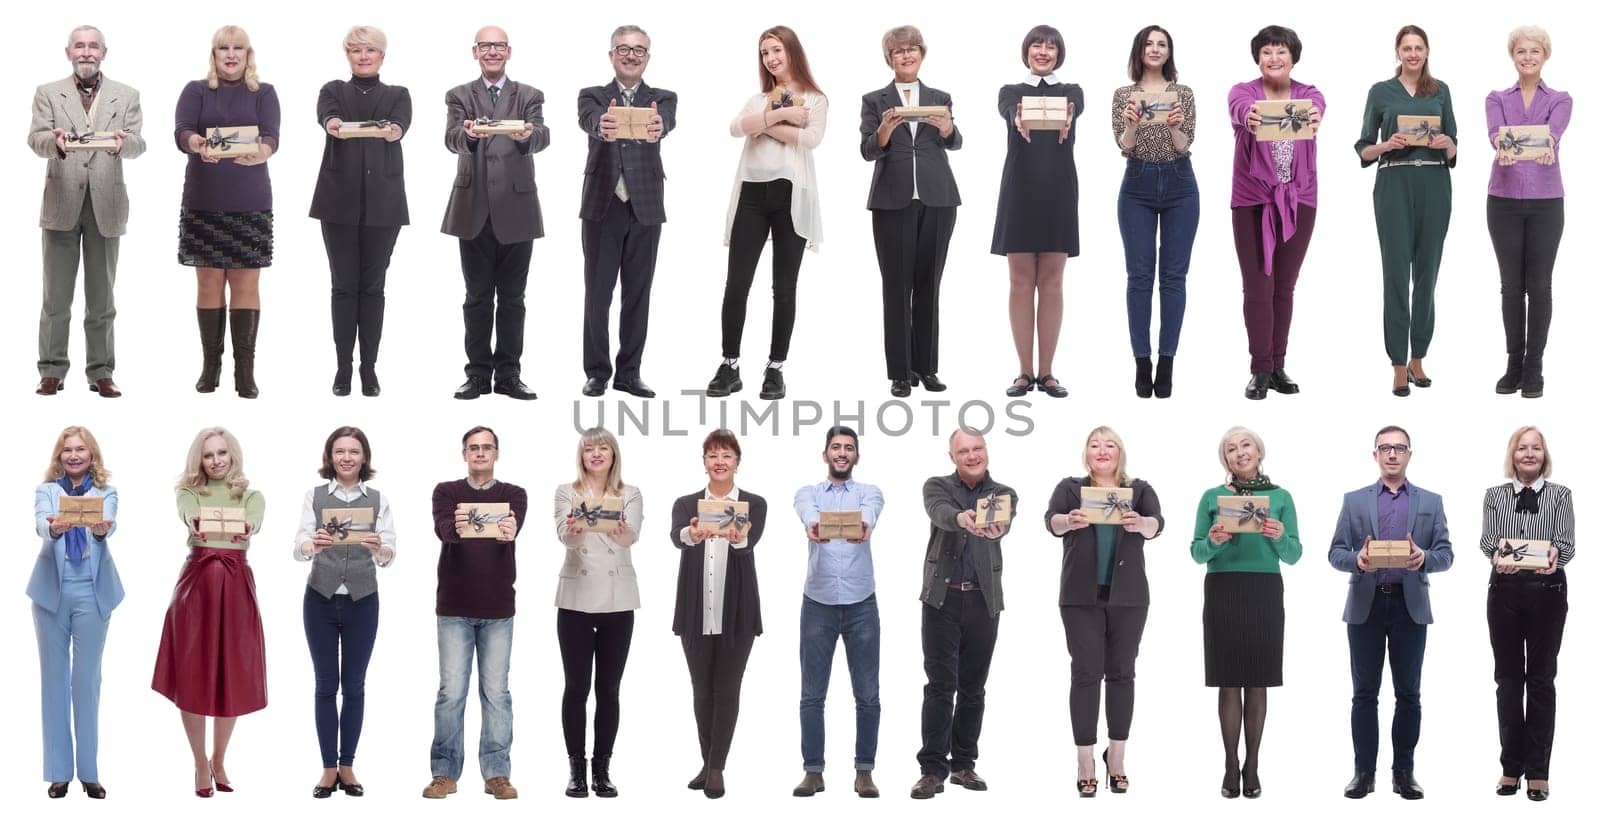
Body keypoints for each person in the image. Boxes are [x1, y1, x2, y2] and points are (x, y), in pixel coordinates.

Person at [1328, 426, 1454, 800]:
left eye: (1400, 448)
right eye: (1386, 448)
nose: (1393, 454)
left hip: (1409, 605)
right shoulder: (1354, 501)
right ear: (1376, 455)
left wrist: (1424, 559)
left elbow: (1446, 554)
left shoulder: (1431, 501)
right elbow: (1336, 553)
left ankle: (1404, 772)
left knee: (1409, 694)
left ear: (1409, 454)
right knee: (1364, 694)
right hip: (1365, 605)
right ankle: (1363, 772)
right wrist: (1358, 560)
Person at [704, 26, 827, 402]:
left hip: (791, 194)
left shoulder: (815, 98)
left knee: (784, 287)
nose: (771, 58)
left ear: (792, 51)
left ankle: (775, 369)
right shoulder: (758, 98)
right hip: (753, 195)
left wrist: (766, 125)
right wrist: (786, 116)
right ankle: (729, 365)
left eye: (776, 50)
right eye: (764, 53)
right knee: (736, 283)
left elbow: (811, 139)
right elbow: (734, 128)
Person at [1044, 427, 1163, 797]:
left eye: (1109, 444)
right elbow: (1051, 520)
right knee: (1085, 674)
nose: (1102, 450)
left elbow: (1157, 524)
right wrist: (1068, 520)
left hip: (1128, 598)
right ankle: (1084, 760)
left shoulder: (1139, 490)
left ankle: (1118, 757)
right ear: (1086, 453)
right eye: (1095, 444)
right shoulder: (1070, 488)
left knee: (1122, 674)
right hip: (1081, 598)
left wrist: (1142, 524)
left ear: (1120, 452)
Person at [151, 426, 268, 797]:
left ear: (232, 455)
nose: (216, 461)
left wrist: (249, 526)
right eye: (208, 454)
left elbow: (255, 522)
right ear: (198, 460)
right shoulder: (188, 492)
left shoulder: (251, 495)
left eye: (221, 453)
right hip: (198, 584)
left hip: (235, 584)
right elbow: (188, 513)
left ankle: (219, 758)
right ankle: (199, 761)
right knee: (193, 672)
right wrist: (193, 521)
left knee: (232, 671)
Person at [28, 26, 145, 398]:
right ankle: (51, 370)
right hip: (61, 201)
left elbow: (139, 143)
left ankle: (101, 371)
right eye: (79, 45)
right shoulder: (48, 93)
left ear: (104, 52)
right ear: (68, 52)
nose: (86, 51)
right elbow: (36, 139)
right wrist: (55, 142)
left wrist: (123, 145)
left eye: (93, 46)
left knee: (102, 299)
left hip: (106, 206)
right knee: (56, 298)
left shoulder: (126, 95)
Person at [1188, 426, 1301, 799]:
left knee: (1257, 679)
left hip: (1264, 589)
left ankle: (1252, 764)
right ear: (1226, 459)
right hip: (1223, 588)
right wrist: (1214, 542)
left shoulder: (1281, 496)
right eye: (1231, 449)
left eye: (1245, 445)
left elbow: (1294, 554)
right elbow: (1196, 553)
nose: (1240, 453)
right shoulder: (1212, 497)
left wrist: (1278, 536)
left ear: (1259, 450)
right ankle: (1229, 763)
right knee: (1228, 679)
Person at [442, 26, 548, 401]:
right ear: (475, 52)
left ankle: (509, 375)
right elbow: (452, 138)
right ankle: (476, 375)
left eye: (498, 46)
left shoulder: (529, 95)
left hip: (517, 208)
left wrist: (527, 138)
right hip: (473, 208)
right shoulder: (459, 95)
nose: (492, 51)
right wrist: (469, 135)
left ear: (509, 51)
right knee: (477, 297)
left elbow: (542, 135)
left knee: (514, 298)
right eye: (485, 46)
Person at [422, 425, 527, 800]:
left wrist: (510, 529)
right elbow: (444, 530)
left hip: (498, 607)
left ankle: (497, 772)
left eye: (486, 448)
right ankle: (444, 773)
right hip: (454, 606)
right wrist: (460, 526)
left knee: (497, 693)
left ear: (497, 453)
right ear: (463, 454)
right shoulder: (446, 491)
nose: (480, 453)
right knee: (451, 692)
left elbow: (512, 530)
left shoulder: (513, 494)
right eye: (473, 448)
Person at [176, 25, 280, 399]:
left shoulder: (263, 92)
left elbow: (271, 135)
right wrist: (195, 141)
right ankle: (210, 366)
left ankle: (245, 372)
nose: (231, 54)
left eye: (238, 48)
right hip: (204, 198)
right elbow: (182, 130)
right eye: (224, 48)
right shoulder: (197, 90)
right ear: (214, 54)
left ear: (248, 53)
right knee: (207, 281)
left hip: (249, 199)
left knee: (246, 283)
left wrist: (263, 152)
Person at [913, 427, 1016, 799]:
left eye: (977, 449)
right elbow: (938, 512)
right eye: (963, 451)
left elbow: (1003, 521)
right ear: (952, 457)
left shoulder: (1003, 493)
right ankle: (932, 769)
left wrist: (997, 528)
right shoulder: (936, 485)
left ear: (986, 451)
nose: (972, 456)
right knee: (940, 686)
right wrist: (961, 519)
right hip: (942, 599)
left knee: (973, 689)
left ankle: (964, 765)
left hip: (983, 602)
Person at [1356, 25, 1458, 396]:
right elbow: (1364, 147)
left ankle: (1419, 357)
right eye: (1406, 48)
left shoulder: (1441, 91)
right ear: (1397, 52)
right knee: (1396, 273)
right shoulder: (1380, 92)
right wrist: (1385, 145)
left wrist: (1447, 143)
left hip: (1434, 182)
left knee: (1427, 273)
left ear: (1427, 51)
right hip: (1394, 182)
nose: (1413, 53)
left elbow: (1453, 148)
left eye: (1418, 47)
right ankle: (1398, 362)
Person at [293, 426, 395, 798]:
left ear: (364, 457)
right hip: (319, 598)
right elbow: (297, 545)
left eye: (354, 451)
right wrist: (312, 545)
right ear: (330, 456)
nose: (347, 457)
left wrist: (379, 548)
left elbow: (389, 554)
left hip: (363, 600)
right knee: (325, 685)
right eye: (340, 451)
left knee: (354, 686)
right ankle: (327, 768)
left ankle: (348, 766)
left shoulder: (378, 499)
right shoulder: (315, 496)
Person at [310, 26, 411, 397]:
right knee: (342, 286)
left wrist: (394, 131)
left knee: (373, 288)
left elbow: (401, 125)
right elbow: (328, 117)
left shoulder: (398, 94)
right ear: (347, 55)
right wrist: (332, 125)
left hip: (384, 205)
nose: (363, 56)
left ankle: (369, 369)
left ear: (382, 56)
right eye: (356, 50)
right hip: (338, 202)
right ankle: (342, 369)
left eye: (370, 50)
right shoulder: (333, 90)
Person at [860, 25, 961, 398]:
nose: (906, 56)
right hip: (892, 201)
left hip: (938, 199)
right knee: (897, 288)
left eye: (912, 50)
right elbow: (868, 150)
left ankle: (926, 367)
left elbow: (956, 142)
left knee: (929, 287)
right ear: (890, 58)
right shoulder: (875, 100)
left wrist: (948, 126)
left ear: (921, 54)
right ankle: (900, 373)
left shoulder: (940, 96)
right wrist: (885, 129)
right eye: (899, 51)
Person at [669, 429, 769, 798]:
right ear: (704, 462)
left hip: (737, 611)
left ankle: (716, 768)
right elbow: (675, 536)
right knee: (701, 690)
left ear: (737, 462)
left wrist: (737, 536)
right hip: (696, 610)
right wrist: (691, 535)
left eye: (727, 455)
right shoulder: (686, 502)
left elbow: (748, 545)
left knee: (727, 689)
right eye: (713, 455)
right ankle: (707, 760)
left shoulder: (754, 504)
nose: (720, 461)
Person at [578, 26, 675, 399]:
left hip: (645, 205)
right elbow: (588, 120)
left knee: (638, 293)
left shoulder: (663, 98)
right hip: (603, 205)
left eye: (639, 50)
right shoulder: (592, 96)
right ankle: (597, 372)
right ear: (611, 55)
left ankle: (629, 373)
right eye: (624, 49)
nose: (631, 55)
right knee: (597, 294)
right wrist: (601, 126)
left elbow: (666, 123)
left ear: (647, 57)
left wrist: (659, 126)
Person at [29, 426, 124, 798]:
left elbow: (109, 526)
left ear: (91, 454)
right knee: (54, 681)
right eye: (67, 450)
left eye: (80, 449)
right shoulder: (47, 491)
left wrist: (101, 531)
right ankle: (58, 772)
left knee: (86, 682)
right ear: (59, 455)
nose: (73, 455)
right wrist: (53, 528)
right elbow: (40, 523)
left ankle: (89, 772)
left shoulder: (107, 492)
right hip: (52, 591)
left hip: (92, 590)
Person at [1229, 26, 1322, 401]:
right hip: (1253, 201)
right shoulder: (1243, 92)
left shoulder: (1309, 94)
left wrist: (1313, 118)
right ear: (1258, 58)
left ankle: (1279, 364)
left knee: (1284, 286)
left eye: (1281, 52)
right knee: (1257, 285)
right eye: (1267, 52)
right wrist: (1249, 118)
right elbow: (1240, 111)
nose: (1274, 58)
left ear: (1293, 57)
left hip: (1299, 200)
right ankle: (1260, 368)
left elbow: (1316, 111)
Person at [1480, 426, 1573, 801]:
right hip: (1504, 590)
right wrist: (1499, 556)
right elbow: (1488, 541)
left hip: (1548, 591)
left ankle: (1538, 771)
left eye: (1536, 448)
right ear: (1513, 454)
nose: (1529, 454)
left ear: (1544, 454)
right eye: (1523, 448)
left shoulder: (1561, 495)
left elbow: (1566, 542)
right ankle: (1510, 767)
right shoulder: (1495, 495)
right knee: (1507, 680)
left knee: (1541, 680)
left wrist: (1555, 555)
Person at [792, 425, 884, 797]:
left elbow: (870, 513)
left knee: (868, 694)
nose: (842, 452)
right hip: (818, 604)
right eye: (836, 447)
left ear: (856, 456)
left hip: (862, 603)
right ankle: (813, 771)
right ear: (825, 454)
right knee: (812, 695)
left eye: (848, 447)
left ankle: (864, 771)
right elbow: (808, 513)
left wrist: (864, 526)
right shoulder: (808, 493)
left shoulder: (870, 492)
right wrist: (814, 526)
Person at [551, 427, 643, 797]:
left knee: (609, 689)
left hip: (618, 600)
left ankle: (602, 768)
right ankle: (576, 768)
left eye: (603, 447)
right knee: (576, 687)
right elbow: (565, 535)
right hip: (575, 599)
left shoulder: (631, 493)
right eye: (589, 449)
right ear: (581, 456)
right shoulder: (565, 492)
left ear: (613, 454)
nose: (596, 453)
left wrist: (619, 532)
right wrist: (574, 530)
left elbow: (631, 536)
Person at [993, 24, 1080, 400]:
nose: (1043, 52)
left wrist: (1069, 114)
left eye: (1050, 47)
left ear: (1059, 53)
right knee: (1020, 282)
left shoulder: (1071, 92)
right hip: (1020, 190)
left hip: (1059, 190)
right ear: (1026, 51)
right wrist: (1017, 116)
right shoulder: (1011, 92)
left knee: (1053, 282)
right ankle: (1024, 372)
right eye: (1037, 46)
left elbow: (1075, 108)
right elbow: (1008, 109)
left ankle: (1047, 373)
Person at [1113, 25, 1197, 398]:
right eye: (1149, 43)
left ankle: (1168, 361)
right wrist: (1132, 124)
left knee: (1174, 278)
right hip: (1137, 183)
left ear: (1169, 52)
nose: (1155, 49)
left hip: (1180, 183)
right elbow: (1123, 145)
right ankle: (1141, 361)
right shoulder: (1123, 95)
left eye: (1162, 44)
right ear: (1139, 50)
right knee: (1139, 277)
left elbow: (1185, 144)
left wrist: (1177, 126)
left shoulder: (1183, 94)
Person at [1486, 26, 1569, 398]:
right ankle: (1513, 362)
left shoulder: (1560, 98)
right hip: (1502, 199)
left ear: (1545, 55)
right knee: (1510, 287)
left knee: (1540, 285)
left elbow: (1554, 131)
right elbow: (1494, 133)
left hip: (1546, 201)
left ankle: (1534, 365)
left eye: (1535, 51)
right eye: (1521, 51)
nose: (1528, 57)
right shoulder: (1496, 98)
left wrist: (1548, 141)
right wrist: (1499, 145)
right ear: (1513, 56)